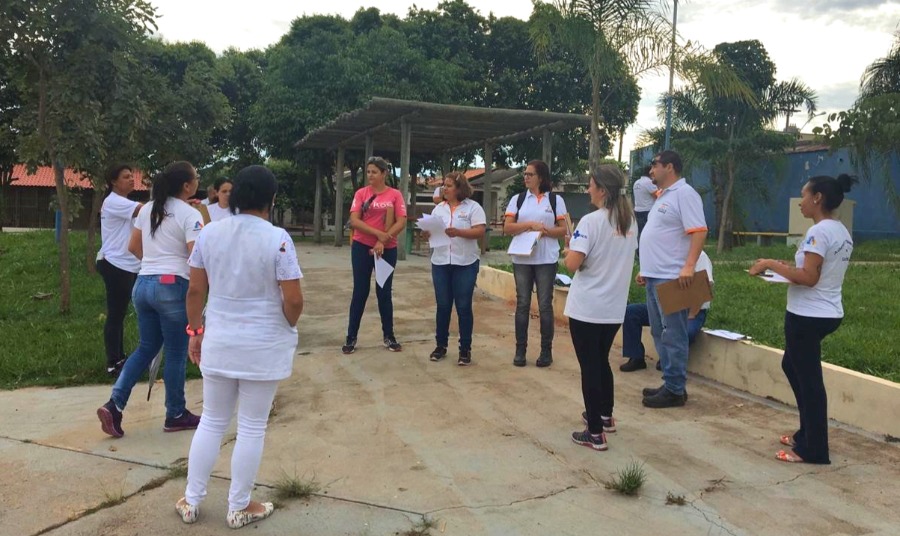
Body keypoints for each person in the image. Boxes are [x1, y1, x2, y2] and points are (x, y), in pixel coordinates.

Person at [175, 165, 304, 528]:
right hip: (262, 344)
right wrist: (285, 324)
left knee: (212, 421)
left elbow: (196, 291)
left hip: (219, 337)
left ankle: (191, 499)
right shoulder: (278, 238)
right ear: (271, 199)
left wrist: (195, 330)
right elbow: (293, 300)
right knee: (251, 427)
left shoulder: (209, 234)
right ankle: (239, 505)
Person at [749, 174, 856, 464]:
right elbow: (814, 272)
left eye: (804, 196)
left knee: (809, 381)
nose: (801, 202)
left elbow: (809, 277)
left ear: (817, 197)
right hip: (827, 311)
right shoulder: (841, 232)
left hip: (807, 315)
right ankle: (806, 433)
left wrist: (770, 264)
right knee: (792, 366)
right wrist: (785, 269)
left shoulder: (818, 233)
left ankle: (814, 449)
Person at [96, 161, 204, 438]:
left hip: (143, 283)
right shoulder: (190, 215)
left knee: (146, 348)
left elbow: (133, 246)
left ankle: (115, 404)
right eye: (196, 177)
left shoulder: (148, 209)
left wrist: (154, 268)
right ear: (186, 186)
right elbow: (197, 259)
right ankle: (176, 413)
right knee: (176, 352)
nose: (199, 180)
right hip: (172, 286)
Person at [563, 165, 637, 451]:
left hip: (588, 308)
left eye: (590, 185)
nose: (587, 190)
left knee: (589, 368)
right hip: (613, 307)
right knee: (601, 361)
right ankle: (605, 415)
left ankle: (594, 432)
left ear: (602, 190)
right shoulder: (629, 221)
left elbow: (573, 264)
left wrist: (569, 250)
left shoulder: (591, 222)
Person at [637, 150, 708, 408]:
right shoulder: (664, 196)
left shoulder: (685, 194)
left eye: (654, 165)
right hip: (655, 276)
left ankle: (676, 389)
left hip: (673, 277)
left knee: (674, 333)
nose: (650, 170)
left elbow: (699, 231)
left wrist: (689, 266)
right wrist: (646, 268)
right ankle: (670, 382)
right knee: (659, 331)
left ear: (669, 167)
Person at [503, 160, 568, 368]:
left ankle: (545, 351)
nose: (526, 177)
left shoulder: (555, 200)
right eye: (525, 173)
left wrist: (545, 231)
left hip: (546, 259)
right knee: (522, 303)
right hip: (522, 258)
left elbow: (563, 230)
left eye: (530, 174)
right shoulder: (518, 199)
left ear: (541, 177)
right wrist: (530, 225)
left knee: (544, 305)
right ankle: (520, 350)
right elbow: (508, 227)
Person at [342, 156, 407, 354]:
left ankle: (389, 336)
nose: (370, 175)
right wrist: (377, 233)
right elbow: (354, 220)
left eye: (374, 172)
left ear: (384, 174)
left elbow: (401, 220)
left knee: (384, 292)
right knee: (360, 291)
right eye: (368, 171)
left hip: (386, 250)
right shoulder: (361, 193)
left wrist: (383, 239)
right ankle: (351, 337)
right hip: (362, 247)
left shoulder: (395, 195)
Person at [427, 172, 486, 365]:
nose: (445, 189)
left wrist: (458, 232)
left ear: (460, 189)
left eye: (449, 186)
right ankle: (440, 345)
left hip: (465, 263)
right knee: (443, 306)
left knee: (463, 306)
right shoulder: (439, 210)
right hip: (441, 262)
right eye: (444, 185)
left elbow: (479, 231)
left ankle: (465, 349)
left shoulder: (473, 208)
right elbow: (432, 232)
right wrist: (429, 232)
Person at [620, 250, 713, 373]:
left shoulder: (700, 256)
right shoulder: (667, 252)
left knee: (687, 331)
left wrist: (692, 314)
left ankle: (669, 360)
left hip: (691, 310)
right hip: (664, 305)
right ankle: (636, 357)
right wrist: (644, 276)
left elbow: (704, 286)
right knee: (631, 313)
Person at [96, 164, 143, 377]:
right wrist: (174, 203)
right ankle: (113, 362)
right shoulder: (114, 201)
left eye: (131, 176)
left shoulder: (123, 202)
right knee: (116, 314)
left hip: (128, 264)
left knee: (120, 313)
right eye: (126, 176)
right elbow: (144, 210)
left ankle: (120, 358)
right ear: (114, 182)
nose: (131, 179)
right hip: (116, 264)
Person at [632, 165, 657, 237]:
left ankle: (639, 247)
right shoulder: (649, 182)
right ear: (650, 173)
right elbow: (657, 196)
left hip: (637, 211)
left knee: (640, 233)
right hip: (647, 212)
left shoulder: (637, 182)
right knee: (649, 233)